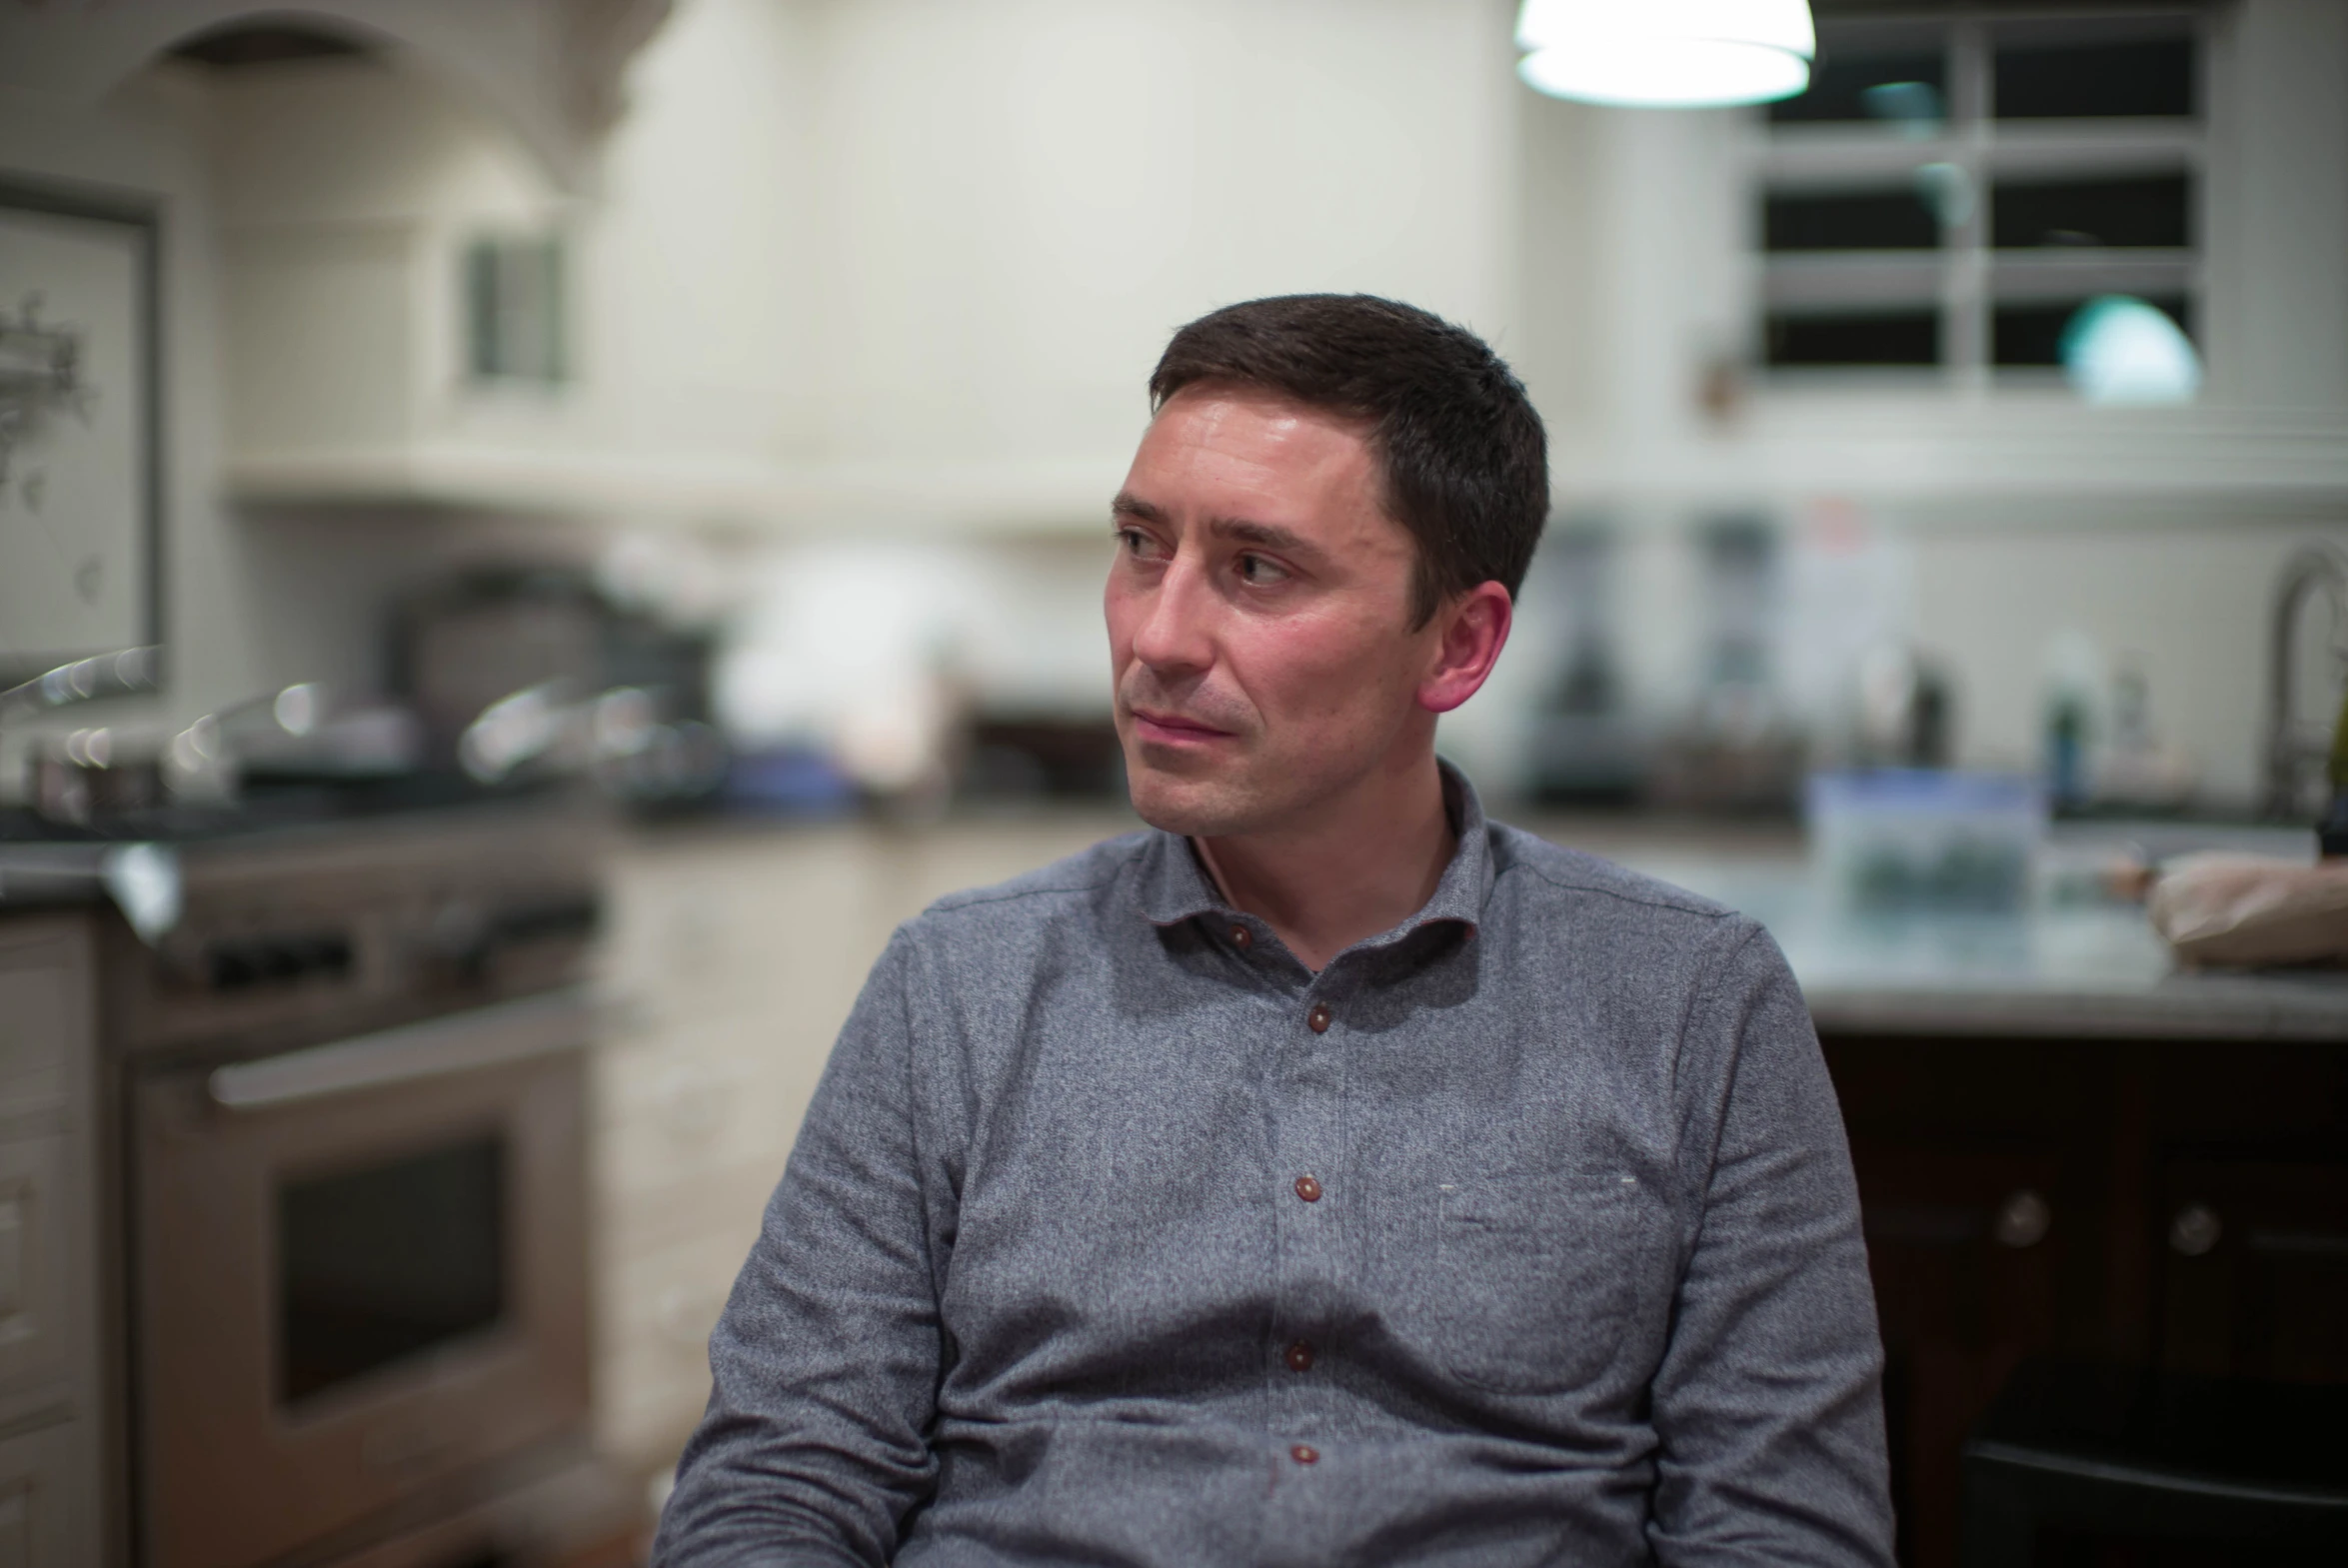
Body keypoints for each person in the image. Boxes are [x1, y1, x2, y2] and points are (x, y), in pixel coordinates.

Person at [654, 294, 1893, 1567]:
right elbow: (778, 1486)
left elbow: (1785, 1529)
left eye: (1257, 569)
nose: (1158, 636)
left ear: (1458, 646)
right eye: (1142, 545)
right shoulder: (955, 988)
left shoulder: (1694, 1004)